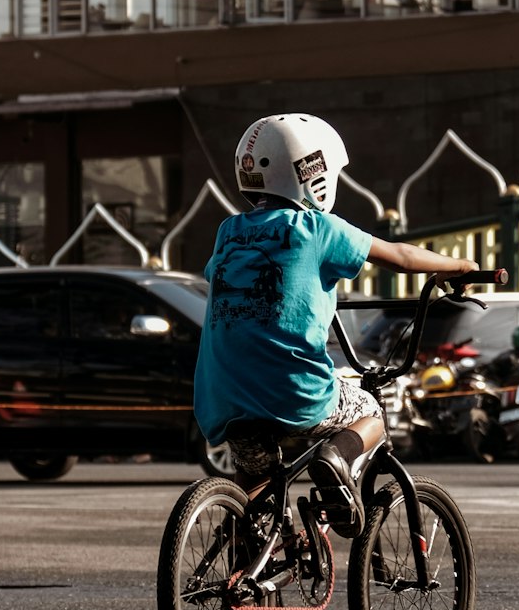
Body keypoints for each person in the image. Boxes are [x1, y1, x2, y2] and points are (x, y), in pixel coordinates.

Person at [192, 112, 476, 535]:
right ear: (313, 173)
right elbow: (399, 256)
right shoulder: (317, 228)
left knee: (257, 482)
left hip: (222, 393)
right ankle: (335, 460)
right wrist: (458, 266)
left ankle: (249, 575)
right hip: (292, 391)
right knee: (370, 410)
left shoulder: (228, 231)